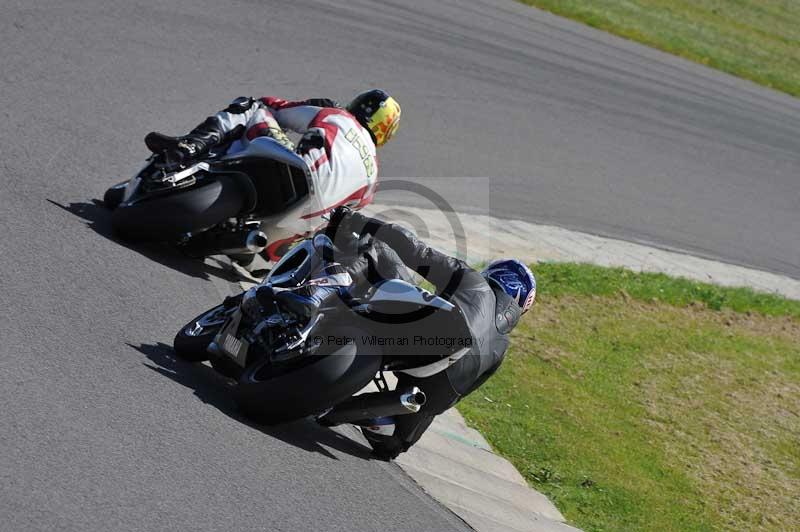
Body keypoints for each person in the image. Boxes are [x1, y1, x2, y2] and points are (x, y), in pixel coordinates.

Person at [278, 207, 537, 460]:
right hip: (436, 387)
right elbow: (456, 396)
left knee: (377, 249)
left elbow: (415, 251)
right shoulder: (501, 348)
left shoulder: (473, 281)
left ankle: (315, 297)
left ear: (495, 276)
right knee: (392, 446)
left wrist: (355, 221)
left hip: (431, 330)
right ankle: (346, 410)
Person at [143, 90, 401, 252]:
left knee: (252, 106)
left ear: (357, 105)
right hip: (296, 226)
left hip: (298, 171)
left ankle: (189, 146)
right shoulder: (373, 178)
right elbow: (343, 218)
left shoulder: (337, 116)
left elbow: (275, 107)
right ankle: (237, 241)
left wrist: (312, 105)